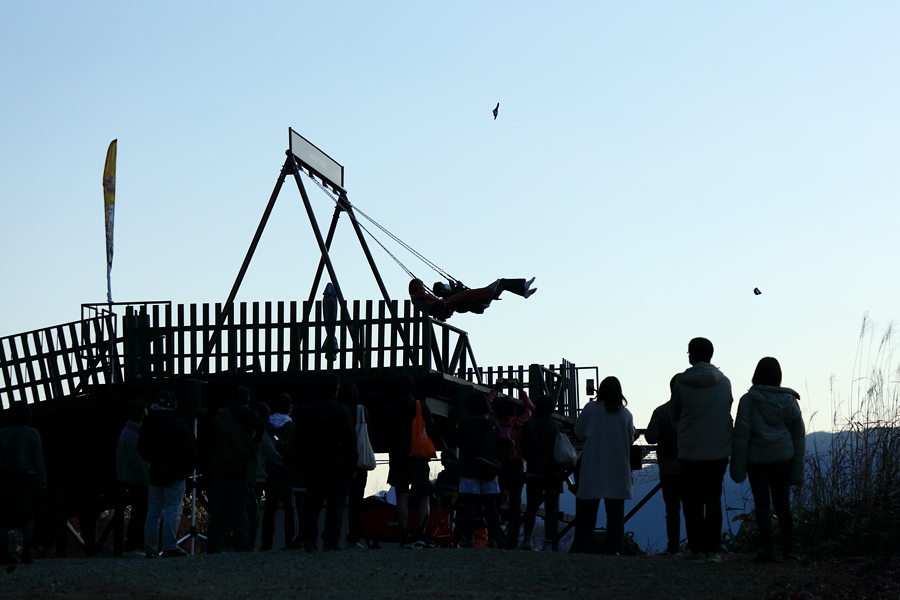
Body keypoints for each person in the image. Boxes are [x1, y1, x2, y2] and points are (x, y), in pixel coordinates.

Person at [730, 357, 805, 562]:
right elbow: (798, 435)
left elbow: (742, 435)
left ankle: (767, 551)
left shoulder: (749, 400)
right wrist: (798, 467)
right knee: (783, 505)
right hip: (784, 458)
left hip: (757, 460)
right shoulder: (790, 400)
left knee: (762, 504)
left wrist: (738, 467)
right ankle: (788, 550)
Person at [670, 337, 734, 563]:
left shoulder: (681, 383)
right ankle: (713, 551)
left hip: (691, 449)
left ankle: (696, 550)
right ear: (711, 355)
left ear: (690, 355)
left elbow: (674, 414)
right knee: (713, 499)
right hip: (718, 448)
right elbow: (727, 406)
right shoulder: (724, 382)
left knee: (692, 500)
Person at [570, 376, 635, 554]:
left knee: (587, 514)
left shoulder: (591, 409)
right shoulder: (626, 414)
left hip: (593, 466)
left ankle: (581, 548)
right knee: (615, 516)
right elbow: (630, 439)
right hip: (618, 469)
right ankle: (613, 550)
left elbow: (579, 432)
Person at [295, 373, 357, 551]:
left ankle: (309, 539)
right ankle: (331, 540)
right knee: (335, 504)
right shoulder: (342, 411)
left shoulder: (307, 411)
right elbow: (350, 441)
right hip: (338, 466)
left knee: (312, 504)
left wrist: (302, 463)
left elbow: (299, 440)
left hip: (313, 465)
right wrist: (352, 465)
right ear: (336, 390)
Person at [384, 374, 443, 548]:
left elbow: (384, 433)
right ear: (412, 389)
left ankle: (405, 535)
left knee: (401, 497)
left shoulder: (388, 409)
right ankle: (421, 534)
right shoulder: (420, 406)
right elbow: (432, 428)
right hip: (417, 457)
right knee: (423, 497)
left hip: (398, 458)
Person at [205, 386, 264, 554]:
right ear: (248, 400)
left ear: (232, 399)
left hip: (222, 469)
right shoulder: (253, 417)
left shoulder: (221, 416)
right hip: (243, 470)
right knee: (240, 508)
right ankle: (242, 543)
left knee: (218, 508)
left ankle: (214, 544)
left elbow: (210, 440)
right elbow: (260, 432)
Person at [137, 390, 195, 558]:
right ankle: (169, 546)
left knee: (153, 512)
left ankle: (150, 547)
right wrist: (187, 467)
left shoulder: (149, 422)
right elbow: (189, 448)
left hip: (155, 472)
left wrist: (153, 460)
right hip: (175, 473)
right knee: (172, 510)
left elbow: (141, 448)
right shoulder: (178, 422)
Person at [0, 402, 46, 565]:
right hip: (28, 479)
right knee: (28, 517)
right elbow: (38, 459)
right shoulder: (32, 433)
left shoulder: (2, 433)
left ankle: (4, 553)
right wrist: (42, 481)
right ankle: (26, 554)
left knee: (3, 518)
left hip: (6, 479)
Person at [489, 379, 534, 548]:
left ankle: (494, 537)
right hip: (516, 465)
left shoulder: (493, 421)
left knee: (495, 501)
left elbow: (487, 403)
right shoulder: (520, 422)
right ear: (514, 411)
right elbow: (530, 408)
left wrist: (496, 389)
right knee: (515, 503)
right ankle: (514, 540)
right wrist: (521, 390)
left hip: (498, 464)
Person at [519, 394, 565, 551]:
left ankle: (526, 540)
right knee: (552, 509)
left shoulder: (529, 425)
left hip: (534, 472)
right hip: (554, 473)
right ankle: (548, 542)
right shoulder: (557, 426)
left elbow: (522, 448)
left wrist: (531, 460)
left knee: (531, 507)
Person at [456, 390, 502, 548]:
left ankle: (469, 539)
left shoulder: (464, 424)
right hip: (489, 469)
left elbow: (457, 441)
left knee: (470, 505)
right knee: (491, 506)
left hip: (469, 469)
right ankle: (493, 539)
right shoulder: (494, 424)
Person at [644, 376, 683, 555]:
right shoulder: (695, 413)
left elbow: (651, 436)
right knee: (694, 508)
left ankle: (673, 547)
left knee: (672, 510)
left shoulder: (661, 412)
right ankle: (698, 546)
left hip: (668, 469)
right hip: (692, 467)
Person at [259, 394, 298, 552]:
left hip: (271, 474)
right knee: (290, 510)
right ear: (290, 409)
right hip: (288, 474)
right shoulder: (293, 427)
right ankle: (290, 541)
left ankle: (266, 543)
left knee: (269, 511)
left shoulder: (265, 425)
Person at [338, 379, 371, 550]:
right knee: (356, 502)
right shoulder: (361, 410)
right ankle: (354, 537)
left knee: (338, 499)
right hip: (359, 461)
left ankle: (333, 536)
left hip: (340, 461)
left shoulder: (338, 410)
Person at [408, 277, 536, 321]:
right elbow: (466, 296)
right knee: (495, 287)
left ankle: (523, 289)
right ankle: (492, 290)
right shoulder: (447, 298)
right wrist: (455, 287)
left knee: (502, 283)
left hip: (477, 301)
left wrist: (457, 286)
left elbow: (464, 294)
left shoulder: (449, 296)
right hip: (478, 303)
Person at [116, 400, 150, 558]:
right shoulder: (134, 436)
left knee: (138, 514)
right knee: (140, 515)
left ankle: (132, 546)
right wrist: (150, 485)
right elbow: (141, 467)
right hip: (136, 482)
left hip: (128, 481)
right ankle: (133, 546)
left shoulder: (127, 433)